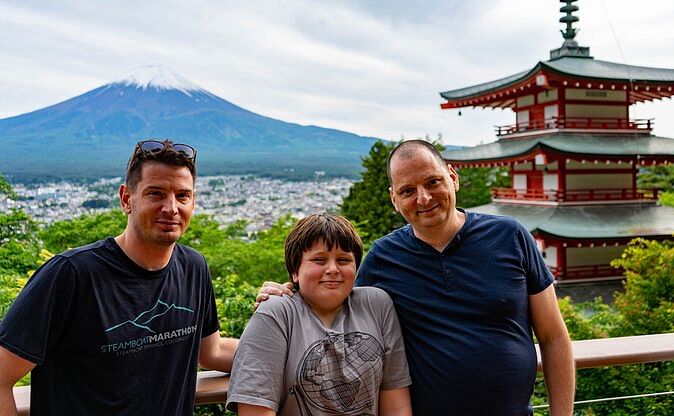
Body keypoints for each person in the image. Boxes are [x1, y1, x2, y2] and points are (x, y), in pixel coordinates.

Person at [259, 139, 575, 416]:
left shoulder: (510, 236)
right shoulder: (384, 258)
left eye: (433, 182)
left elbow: (553, 337)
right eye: (408, 191)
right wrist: (291, 292)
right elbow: (335, 306)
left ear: (453, 178)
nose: (423, 198)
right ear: (395, 199)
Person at [0, 140, 238, 416]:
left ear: (193, 201)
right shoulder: (71, 275)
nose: (171, 208)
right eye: (155, 194)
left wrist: (289, 325)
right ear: (127, 198)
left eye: (182, 196)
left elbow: (212, 352)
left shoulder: (193, 268)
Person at [228, 213, 411, 416]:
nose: (333, 269)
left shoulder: (376, 304)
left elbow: (396, 402)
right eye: (319, 260)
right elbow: (256, 411)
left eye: (343, 260)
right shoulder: (277, 313)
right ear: (295, 271)